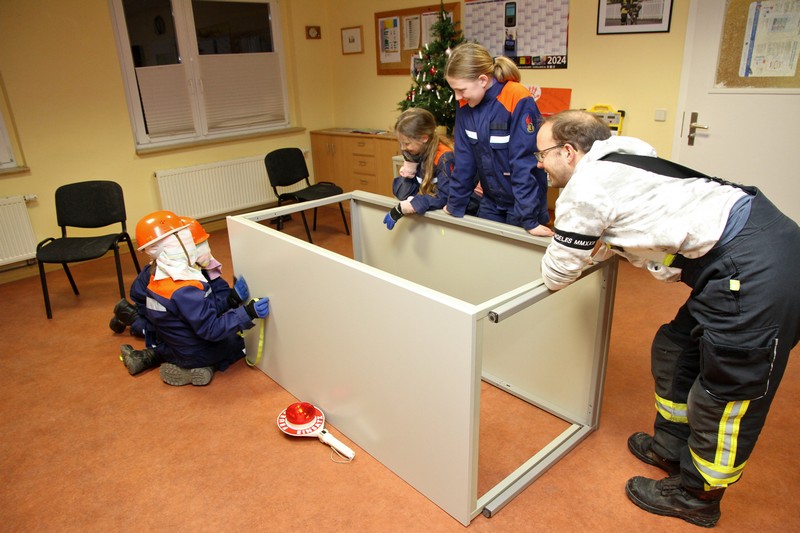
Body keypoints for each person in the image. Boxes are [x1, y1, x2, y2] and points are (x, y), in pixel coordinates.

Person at [536, 109, 800, 527]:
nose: (539, 164)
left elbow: (557, 274)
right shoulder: (623, 157)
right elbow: (631, 229)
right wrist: (586, 241)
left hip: (755, 266)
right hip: (744, 248)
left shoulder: (585, 189)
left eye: (542, 154)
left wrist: (569, 244)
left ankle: (698, 496)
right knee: (675, 348)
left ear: (568, 152)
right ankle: (671, 448)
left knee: (727, 392)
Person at [136, 211, 269, 386]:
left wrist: (230, 300)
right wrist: (248, 313)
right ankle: (208, 366)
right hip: (196, 353)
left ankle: (162, 358)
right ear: (175, 243)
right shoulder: (183, 288)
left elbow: (199, 312)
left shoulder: (157, 278)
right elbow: (212, 329)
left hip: (175, 347)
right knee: (240, 342)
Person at [113, 212, 251, 377]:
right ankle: (130, 317)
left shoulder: (192, 270)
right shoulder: (172, 280)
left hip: (179, 325)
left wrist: (231, 299)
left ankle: (148, 355)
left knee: (183, 334)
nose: (205, 251)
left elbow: (210, 301)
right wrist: (244, 312)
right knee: (230, 341)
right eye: (198, 245)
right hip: (161, 322)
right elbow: (208, 322)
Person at [443, 42, 553, 237]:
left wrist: (529, 218)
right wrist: (454, 204)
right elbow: (464, 160)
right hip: (492, 200)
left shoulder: (516, 97)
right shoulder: (465, 103)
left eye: (461, 90)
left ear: (483, 80)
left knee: (517, 254)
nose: (457, 97)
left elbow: (524, 163)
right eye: (454, 90)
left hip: (523, 202)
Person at [383, 108, 479, 229]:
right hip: (434, 220)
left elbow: (446, 197)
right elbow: (403, 194)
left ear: (424, 138)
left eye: (406, 143)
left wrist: (413, 204)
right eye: (400, 143)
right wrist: (408, 170)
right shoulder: (416, 153)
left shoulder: (445, 158)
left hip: (459, 222)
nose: (403, 148)